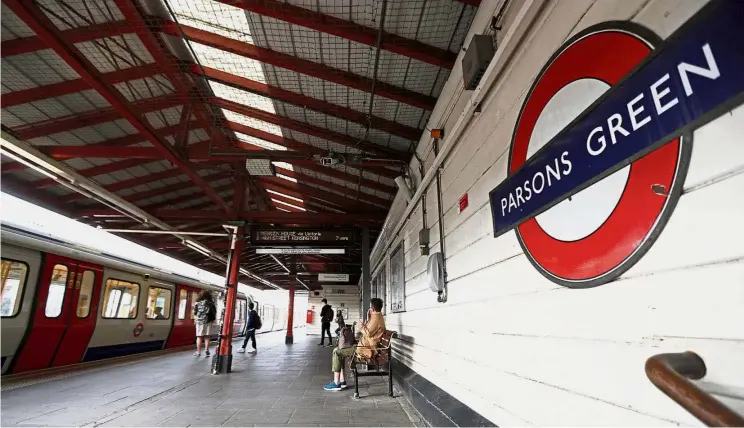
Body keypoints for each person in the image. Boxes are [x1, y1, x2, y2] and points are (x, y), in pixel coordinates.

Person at [324, 298, 385, 391]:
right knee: (337, 350)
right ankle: (342, 381)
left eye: (370, 307)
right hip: (364, 346)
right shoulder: (377, 316)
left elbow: (367, 333)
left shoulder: (376, 318)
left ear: (372, 308)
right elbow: (370, 331)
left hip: (366, 349)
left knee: (337, 352)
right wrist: (368, 318)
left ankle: (337, 383)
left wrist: (360, 325)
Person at [193, 290, 216, 358]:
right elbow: (214, 312)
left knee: (199, 337)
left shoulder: (197, 303)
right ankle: (207, 350)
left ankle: (198, 352)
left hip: (200, 322)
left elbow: (195, 313)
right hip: (208, 321)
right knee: (207, 337)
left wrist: (195, 320)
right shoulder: (211, 303)